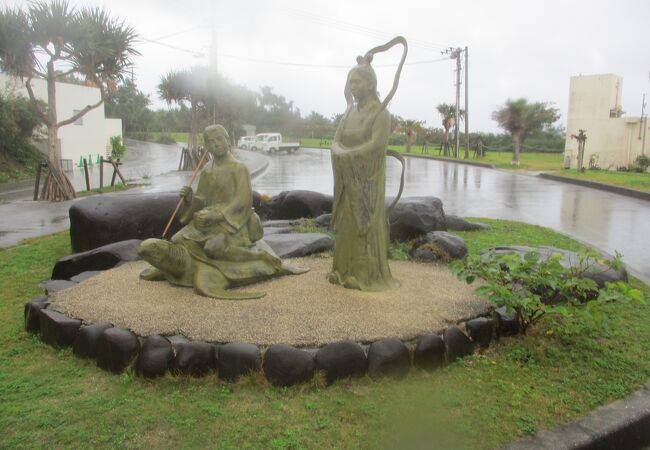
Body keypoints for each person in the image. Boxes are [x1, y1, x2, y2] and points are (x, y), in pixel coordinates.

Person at [139, 124, 306, 299]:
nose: (216, 144)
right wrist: (189, 199)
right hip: (207, 220)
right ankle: (170, 269)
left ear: (227, 140)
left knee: (213, 248)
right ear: (207, 147)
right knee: (177, 239)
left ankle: (266, 260)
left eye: (219, 139)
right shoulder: (206, 171)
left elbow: (243, 200)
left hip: (233, 222)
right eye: (211, 142)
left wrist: (218, 215)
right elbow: (201, 200)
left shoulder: (239, 169)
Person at [328, 54, 400, 292]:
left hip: (367, 183)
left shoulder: (381, 114)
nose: (352, 86)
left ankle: (365, 275)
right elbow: (335, 141)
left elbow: (376, 146)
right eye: (350, 82)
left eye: (356, 82)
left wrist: (349, 155)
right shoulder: (348, 113)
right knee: (346, 225)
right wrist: (339, 153)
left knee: (364, 228)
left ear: (370, 84)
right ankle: (342, 270)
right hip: (347, 182)